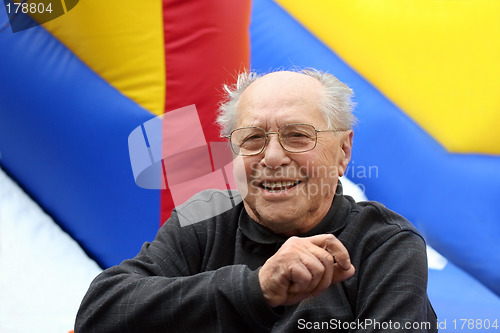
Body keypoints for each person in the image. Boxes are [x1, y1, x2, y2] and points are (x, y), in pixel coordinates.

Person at [75, 69, 437, 332]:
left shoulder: (385, 245)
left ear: (343, 152)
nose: (273, 157)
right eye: (252, 139)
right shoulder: (206, 219)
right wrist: (256, 288)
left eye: (297, 136)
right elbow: (100, 313)